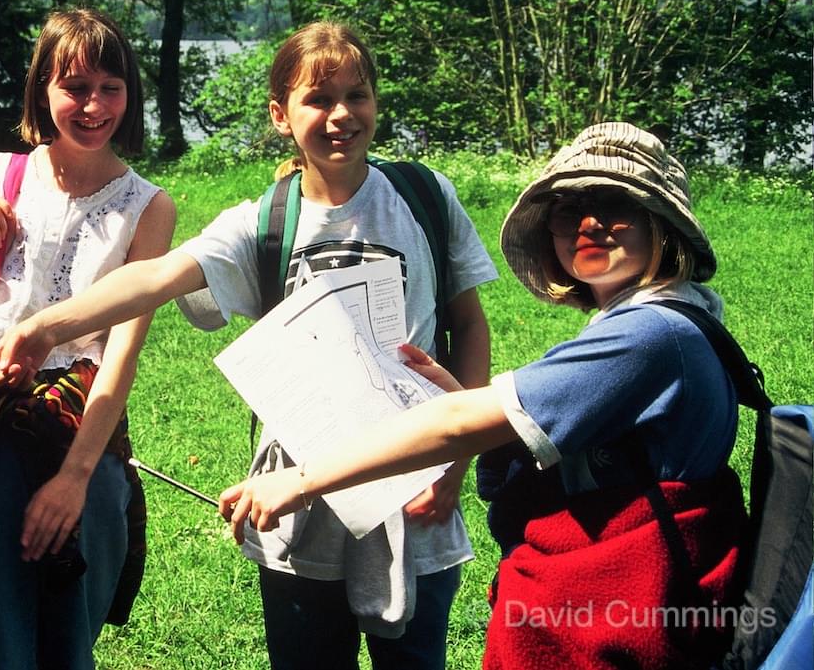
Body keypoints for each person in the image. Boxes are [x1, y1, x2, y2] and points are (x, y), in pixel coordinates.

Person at [0, 21, 497, 670]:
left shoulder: (425, 197)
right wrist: (48, 326)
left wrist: (456, 456)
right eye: (318, 99)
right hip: (296, 514)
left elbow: (469, 326)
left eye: (357, 96)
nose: (341, 115)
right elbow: (155, 276)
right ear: (280, 114)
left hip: (414, 500)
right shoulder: (262, 223)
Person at [220, 122, 748, 669]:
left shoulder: (647, 336)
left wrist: (303, 479)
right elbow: (522, 424)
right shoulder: (671, 315)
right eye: (568, 211)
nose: (589, 224)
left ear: (662, 224)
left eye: (616, 206)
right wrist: (465, 402)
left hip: (626, 610)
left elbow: (458, 423)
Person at [0, 8, 176, 669]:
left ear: (131, 94)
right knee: (0, 635)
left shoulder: (149, 206)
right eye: (75, 86)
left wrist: (75, 475)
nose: (93, 105)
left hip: (84, 424)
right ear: (43, 88)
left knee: (70, 636)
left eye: (110, 87)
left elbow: (121, 353)